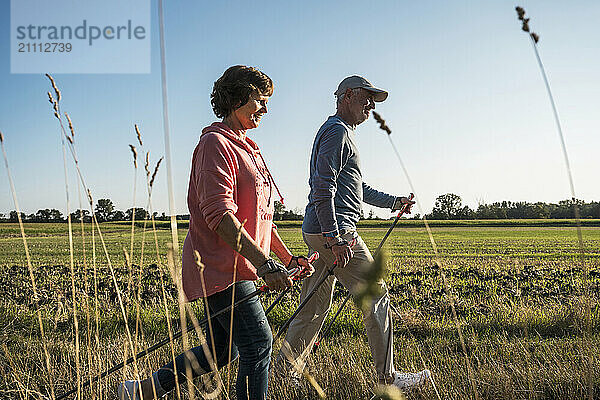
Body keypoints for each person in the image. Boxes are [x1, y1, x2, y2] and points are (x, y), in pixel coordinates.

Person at [118, 65, 313, 400]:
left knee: (222, 352)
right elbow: (219, 216)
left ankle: (142, 391)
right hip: (220, 268)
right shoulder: (215, 143)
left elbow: (263, 219)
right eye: (259, 99)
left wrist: (285, 257)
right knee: (257, 344)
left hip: (242, 266)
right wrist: (265, 264)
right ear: (237, 97)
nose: (265, 108)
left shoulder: (248, 147)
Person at [278, 75, 430, 390]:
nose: (371, 105)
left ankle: (284, 376)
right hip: (336, 232)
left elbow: (357, 188)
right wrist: (335, 239)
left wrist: (393, 202)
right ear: (348, 95)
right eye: (367, 98)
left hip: (316, 230)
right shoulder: (337, 133)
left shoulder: (337, 132)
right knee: (377, 295)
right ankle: (388, 381)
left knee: (314, 304)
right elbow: (323, 187)